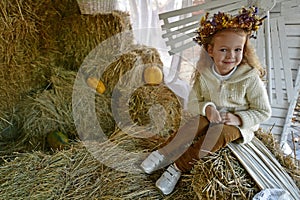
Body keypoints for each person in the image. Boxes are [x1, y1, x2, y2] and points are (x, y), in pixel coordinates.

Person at [140, 7, 272, 195]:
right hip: (212, 116)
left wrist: (238, 119)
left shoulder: (249, 77)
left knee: (218, 134)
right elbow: (193, 103)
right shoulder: (205, 74)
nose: (231, 56)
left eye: (237, 50)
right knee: (194, 124)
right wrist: (207, 108)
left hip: (237, 124)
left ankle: (178, 167)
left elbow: (263, 111)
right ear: (210, 50)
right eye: (224, 50)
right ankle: (162, 153)